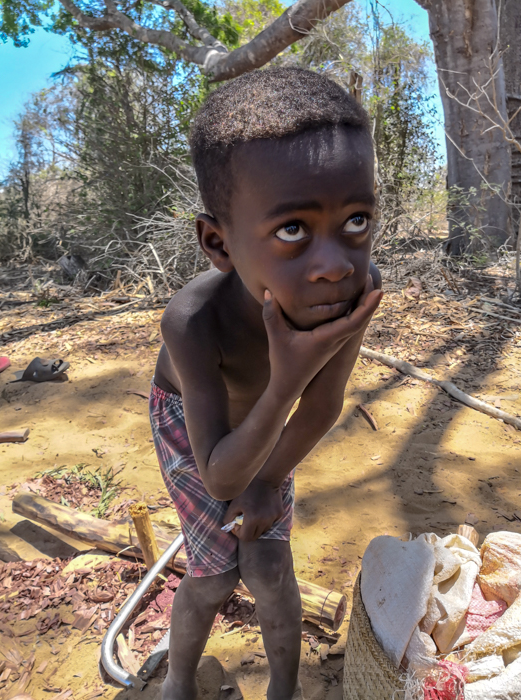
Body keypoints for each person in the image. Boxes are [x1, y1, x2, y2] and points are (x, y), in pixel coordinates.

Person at [150, 67, 383, 700]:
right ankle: (178, 683)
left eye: (357, 220)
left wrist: (269, 481)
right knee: (216, 576)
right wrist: (283, 385)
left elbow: (324, 405)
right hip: (194, 427)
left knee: (271, 567)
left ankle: (284, 690)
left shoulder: (351, 293)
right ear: (218, 243)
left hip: (270, 437)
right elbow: (221, 474)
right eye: (292, 230)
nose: (334, 265)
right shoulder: (193, 322)